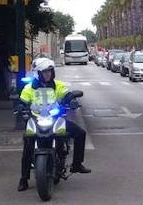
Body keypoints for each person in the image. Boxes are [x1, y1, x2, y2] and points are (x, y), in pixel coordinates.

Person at [18, 57, 89, 191]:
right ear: (39, 73)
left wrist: (71, 100)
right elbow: (22, 100)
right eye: (45, 72)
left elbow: (66, 94)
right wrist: (21, 106)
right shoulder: (29, 88)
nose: (48, 74)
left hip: (55, 118)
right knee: (28, 144)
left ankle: (77, 164)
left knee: (80, 133)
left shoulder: (58, 85)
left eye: (50, 71)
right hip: (36, 119)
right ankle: (24, 179)